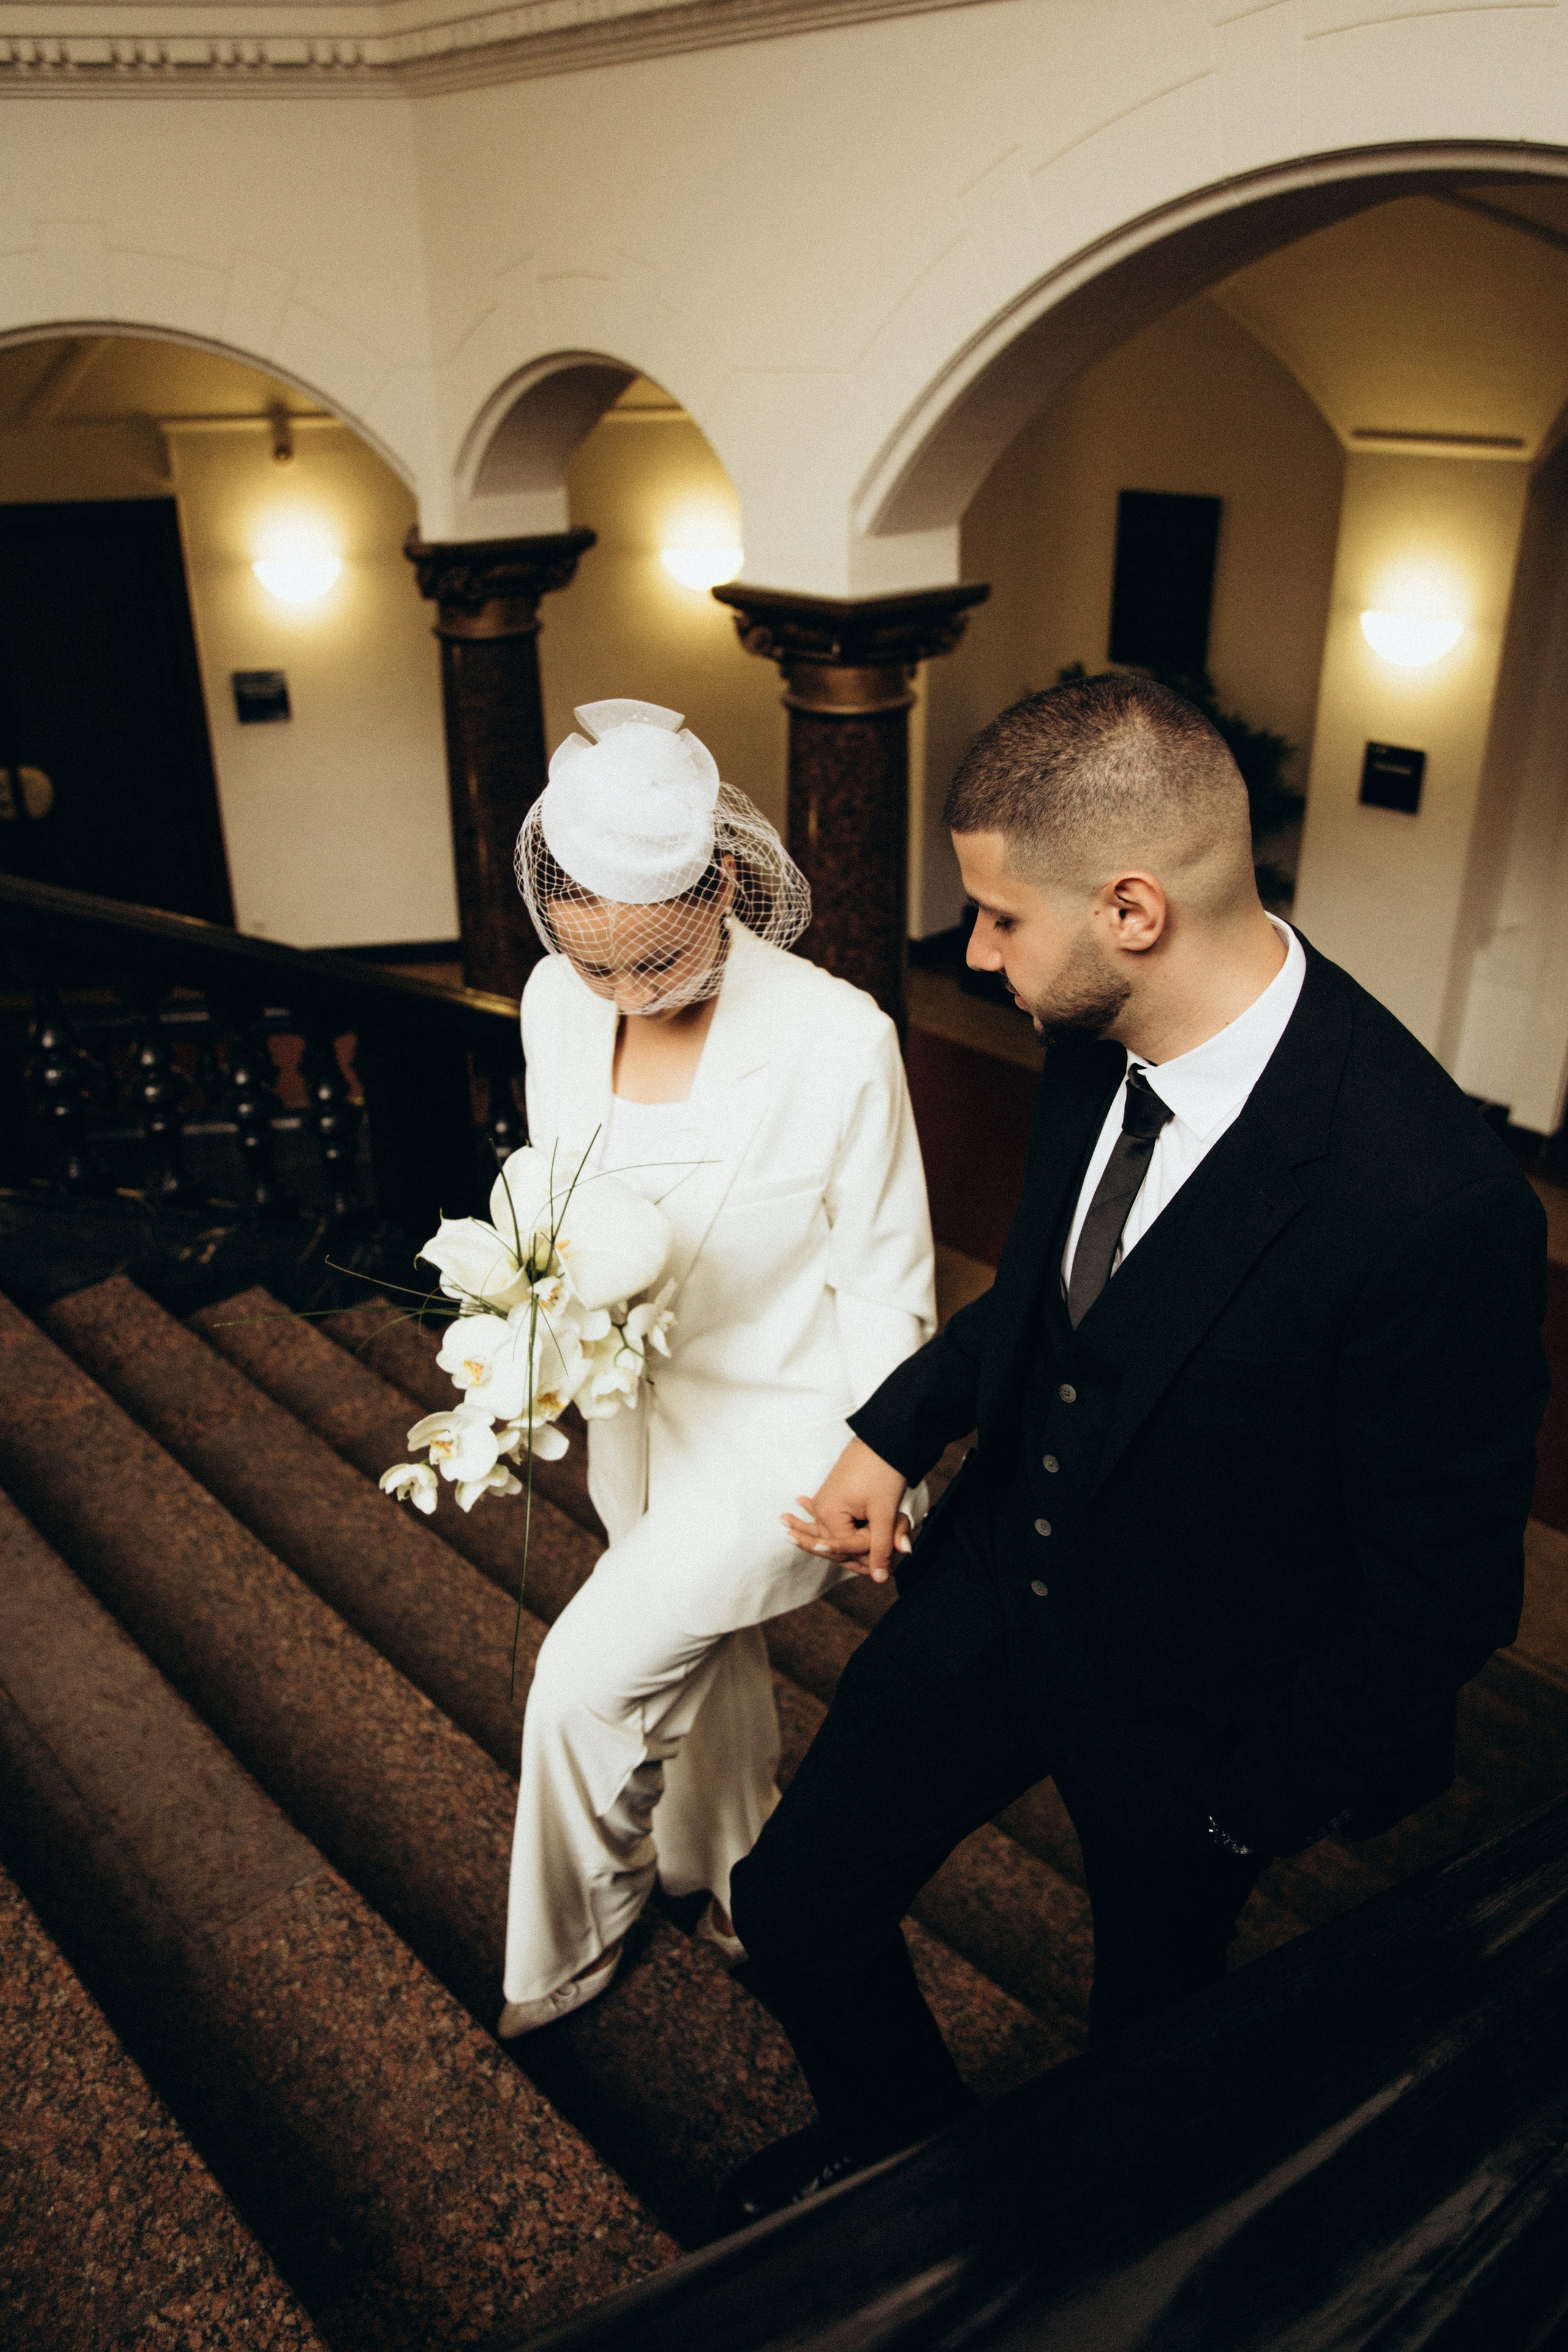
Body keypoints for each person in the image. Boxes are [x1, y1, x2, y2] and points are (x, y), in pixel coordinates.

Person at [722, 671, 1549, 2222]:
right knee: (792, 1902)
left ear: (1130, 909)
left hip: (1195, 1717)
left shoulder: (1429, 1204)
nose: (972, 954)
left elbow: (1439, 1597)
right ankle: (899, 2142)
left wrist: (1242, 1808)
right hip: (988, 1598)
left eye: (994, 920)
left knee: (1149, 2068)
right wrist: (892, 1432)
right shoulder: (1095, 1031)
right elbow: (1050, 1301)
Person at [497, 696, 934, 2035]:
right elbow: (561, 1205)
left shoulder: (836, 1038)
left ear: (726, 885)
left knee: (578, 1689)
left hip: (783, 1434)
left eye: (657, 960)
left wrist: (887, 1466)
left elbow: (883, 1272)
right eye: (593, 967)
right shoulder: (550, 1006)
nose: (625, 993)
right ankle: (736, 1877)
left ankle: (566, 1947)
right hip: (638, 1419)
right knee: (717, 1663)